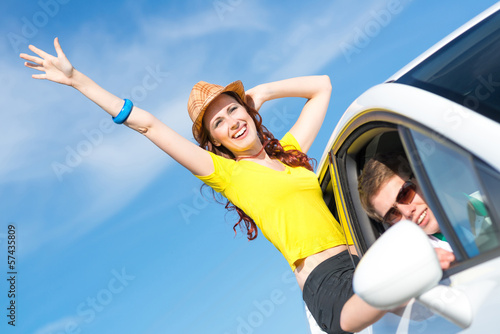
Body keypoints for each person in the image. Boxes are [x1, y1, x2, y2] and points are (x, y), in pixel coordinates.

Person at [20, 37, 385, 334]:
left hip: (363, 258)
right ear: (216, 142)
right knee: (388, 297)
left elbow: (322, 87)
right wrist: (77, 80)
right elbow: (148, 125)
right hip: (327, 284)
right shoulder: (228, 175)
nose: (231, 122)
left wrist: (262, 92)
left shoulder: (291, 152)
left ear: (248, 111)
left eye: (233, 110)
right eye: (218, 123)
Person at [358, 152, 454, 258]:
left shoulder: (473, 181)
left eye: (405, 194)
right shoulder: (425, 257)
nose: (407, 212)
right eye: (393, 213)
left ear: (421, 177)